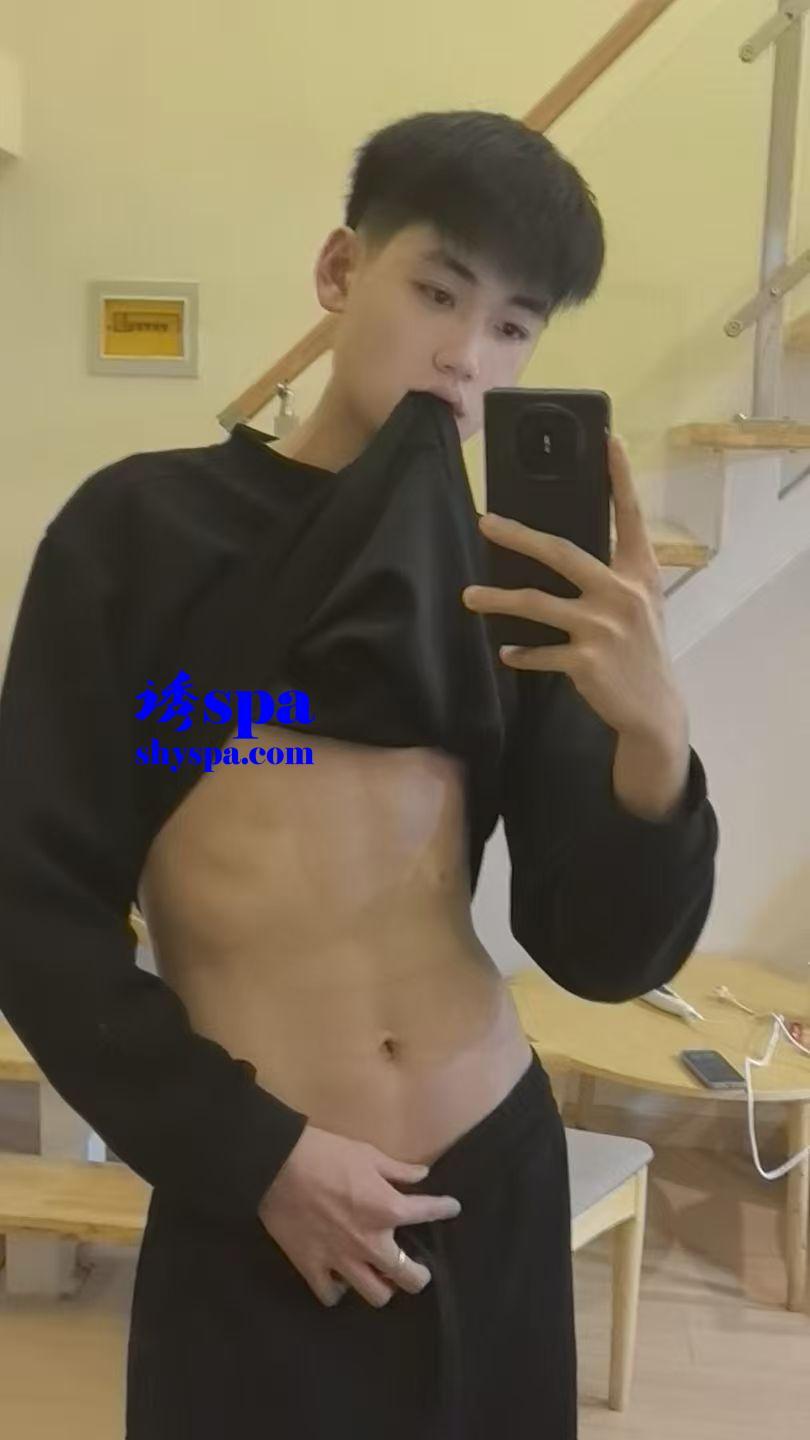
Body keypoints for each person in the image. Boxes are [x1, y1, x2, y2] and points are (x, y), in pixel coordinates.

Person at [0, 109, 719, 1438]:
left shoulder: (509, 578)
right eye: (437, 293)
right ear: (341, 270)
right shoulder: (140, 533)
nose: (465, 355)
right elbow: (32, 905)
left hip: (490, 1171)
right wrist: (252, 1156)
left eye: (512, 327)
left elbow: (602, 950)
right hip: (259, 1194)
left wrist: (653, 737)